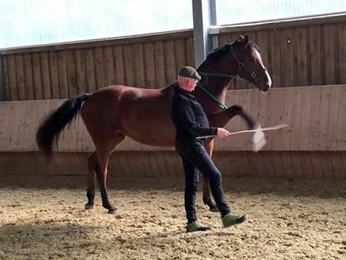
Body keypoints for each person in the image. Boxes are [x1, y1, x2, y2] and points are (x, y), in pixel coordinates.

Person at [170, 66, 246, 232]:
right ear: (188, 81)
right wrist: (215, 131)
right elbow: (191, 127)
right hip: (191, 143)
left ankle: (192, 222)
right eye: (195, 82)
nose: (196, 85)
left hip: (188, 143)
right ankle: (226, 214)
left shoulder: (185, 97)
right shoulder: (181, 101)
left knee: (192, 182)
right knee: (214, 175)